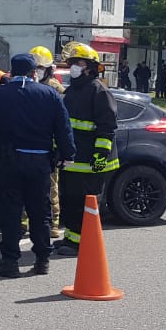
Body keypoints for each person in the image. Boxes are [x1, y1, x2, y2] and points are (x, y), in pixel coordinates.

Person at [0, 53, 76, 278]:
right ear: (34, 72)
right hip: (40, 162)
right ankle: (42, 260)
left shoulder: (0, 94)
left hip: (9, 161)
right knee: (40, 211)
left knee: (10, 211)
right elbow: (63, 127)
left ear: (11, 72)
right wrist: (68, 153)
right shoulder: (49, 94)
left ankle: (10, 261)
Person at [52, 41, 118, 258]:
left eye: (76, 62)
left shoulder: (99, 91)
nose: (73, 67)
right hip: (73, 161)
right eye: (70, 63)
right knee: (71, 201)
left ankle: (83, 243)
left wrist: (100, 155)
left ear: (89, 66)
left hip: (92, 163)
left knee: (85, 205)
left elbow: (107, 127)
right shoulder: (72, 92)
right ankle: (71, 238)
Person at [32, 45, 67, 242]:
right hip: (33, 146)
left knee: (51, 188)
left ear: (48, 70)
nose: (37, 71)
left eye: (41, 68)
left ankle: (53, 224)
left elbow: (62, 121)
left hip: (50, 148)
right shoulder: (27, 86)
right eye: (35, 68)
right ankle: (24, 223)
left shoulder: (56, 89)